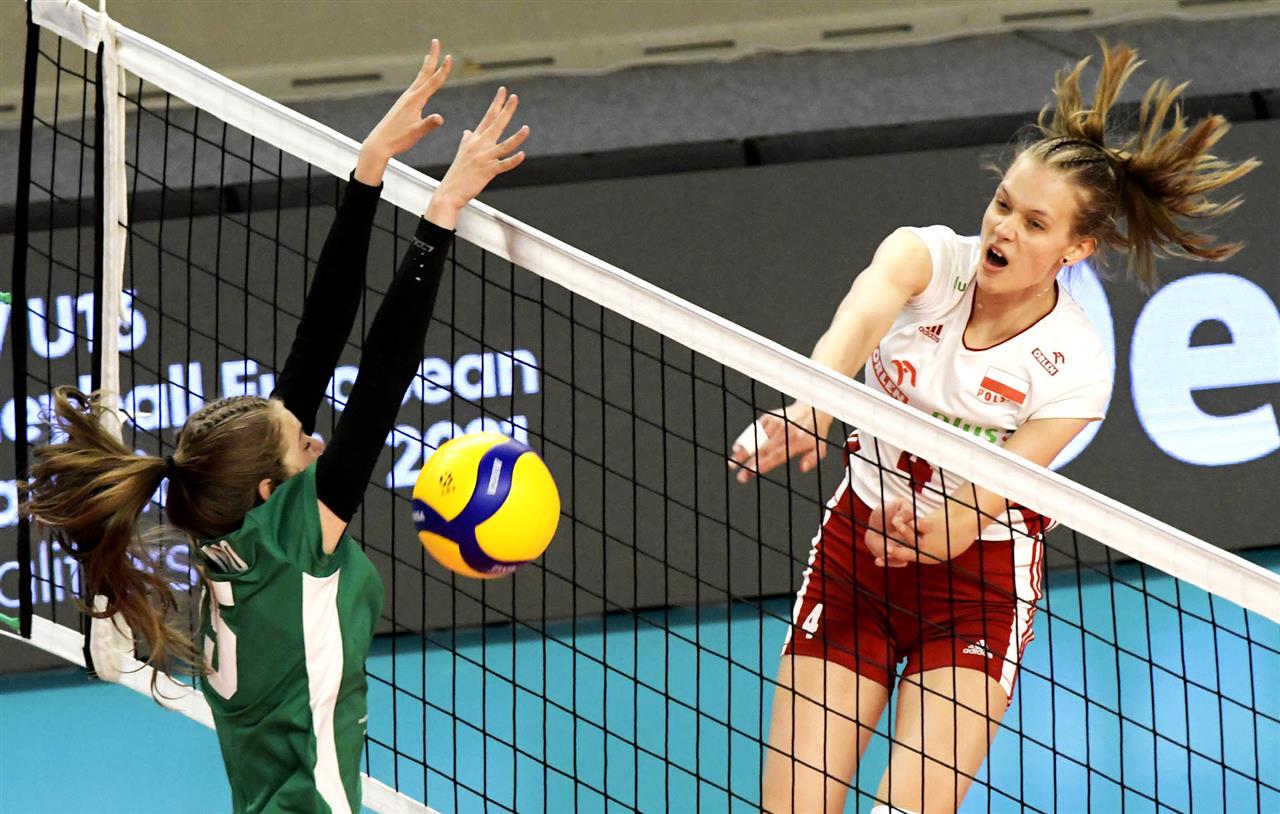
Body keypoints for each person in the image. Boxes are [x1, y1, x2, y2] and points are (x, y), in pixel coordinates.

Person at [730, 43, 1256, 814]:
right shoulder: (924, 259)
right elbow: (854, 327)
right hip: (854, 562)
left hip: (975, 587)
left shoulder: (1075, 368)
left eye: (1034, 222)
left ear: (1076, 248)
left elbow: (977, 505)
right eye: (1003, 204)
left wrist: (930, 529)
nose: (1003, 229)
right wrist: (812, 407)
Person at [22, 41, 529, 814]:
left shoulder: (231, 527)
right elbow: (381, 378)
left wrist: (370, 170)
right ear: (269, 489)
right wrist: (440, 212)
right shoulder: (278, 537)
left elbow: (317, 342)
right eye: (303, 446)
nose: (318, 442)